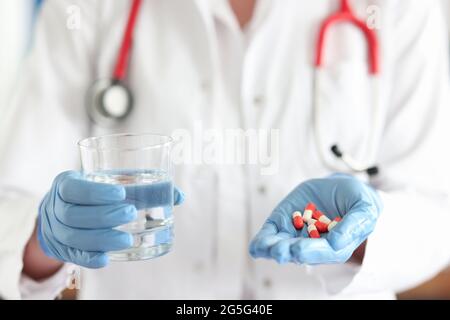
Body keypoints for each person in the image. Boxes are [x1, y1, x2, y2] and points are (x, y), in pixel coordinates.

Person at [1, 0, 449, 299]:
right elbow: (12, 201)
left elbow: (436, 213)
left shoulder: (402, 9)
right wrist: (43, 235)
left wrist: (363, 233)